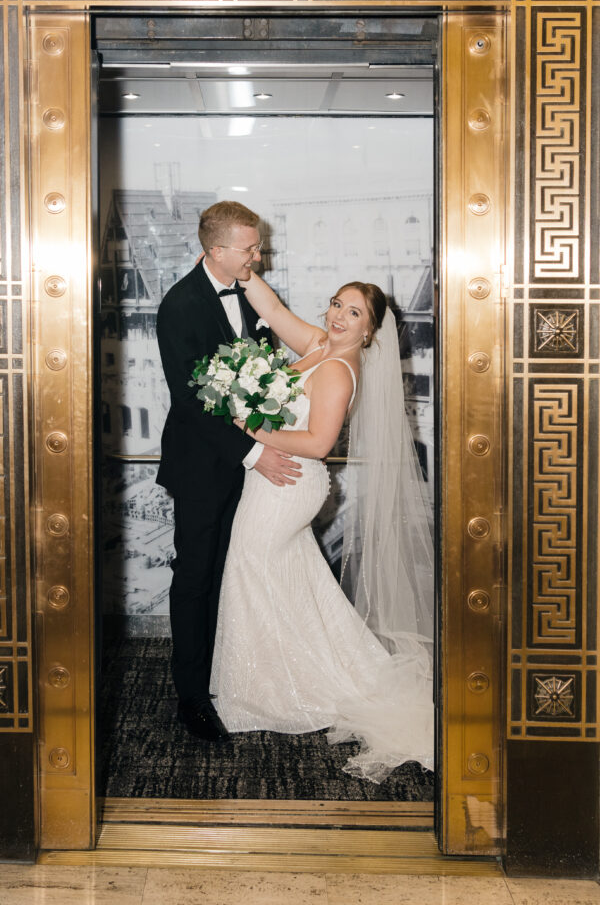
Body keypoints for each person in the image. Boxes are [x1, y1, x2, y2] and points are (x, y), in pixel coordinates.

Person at [209, 272, 435, 780]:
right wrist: (244, 269)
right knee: (293, 579)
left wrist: (252, 428)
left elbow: (318, 444)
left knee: (249, 568)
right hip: (274, 482)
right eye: (337, 304)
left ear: (369, 331)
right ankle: (282, 676)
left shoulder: (337, 369)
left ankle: (268, 693)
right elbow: (273, 308)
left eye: (354, 313)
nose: (339, 316)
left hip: (290, 485)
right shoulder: (317, 342)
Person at [156, 202, 301, 743]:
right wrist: (254, 454)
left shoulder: (250, 291)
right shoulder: (178, 307)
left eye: (258, 246)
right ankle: (191, 696)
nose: (258, 257)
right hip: (202, 468)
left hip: (252, 457)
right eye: (250, 248)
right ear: (215, 250)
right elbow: (191, 403)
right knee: (196, 577)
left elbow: (265, 376)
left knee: (238, 571)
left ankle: (234, 675)